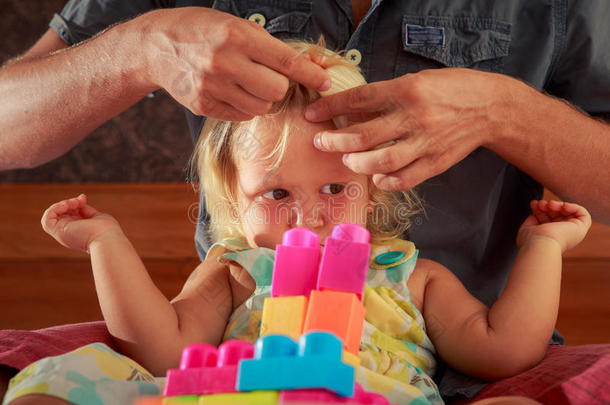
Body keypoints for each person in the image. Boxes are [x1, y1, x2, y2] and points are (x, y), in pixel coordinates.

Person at [1, 0, 608, 399]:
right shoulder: (237, 271)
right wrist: (106, 243)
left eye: (336, 188)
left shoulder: (408, 276)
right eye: (276, 193)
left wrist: (544, 246)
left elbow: (504, 349)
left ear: (375, 192)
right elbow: (160, 346)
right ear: (233, 205)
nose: (310, 214)